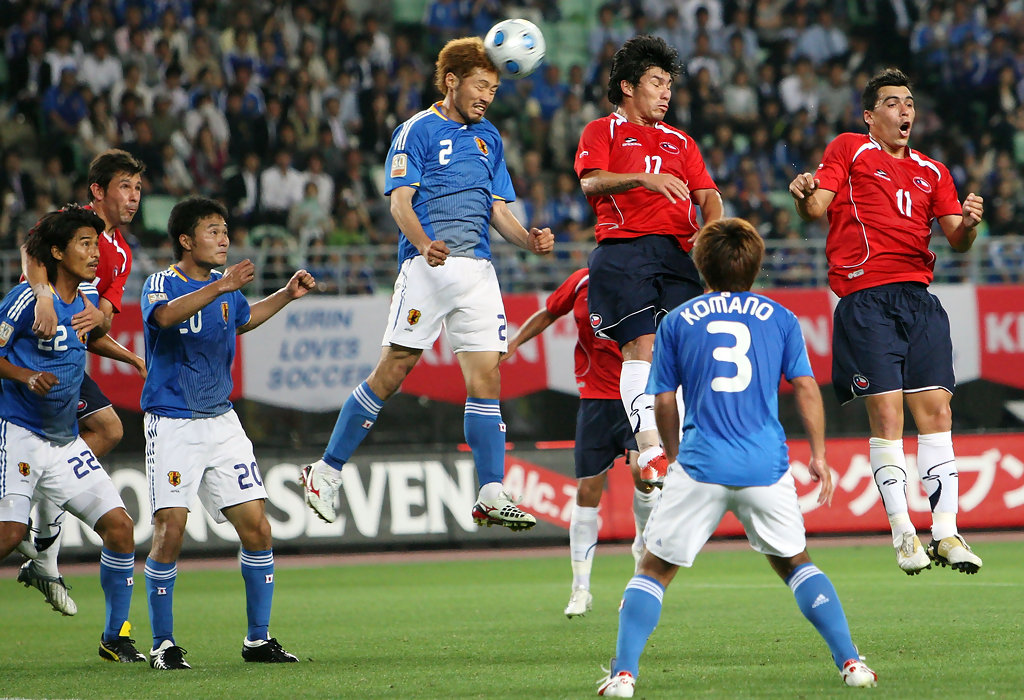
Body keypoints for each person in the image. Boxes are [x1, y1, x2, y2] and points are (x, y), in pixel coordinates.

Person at [596, 218, 878, 697]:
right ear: (755, 267)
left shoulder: (680, 320)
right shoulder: (781, 317)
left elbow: (662, 400)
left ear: (700, 264)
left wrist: (675, 455)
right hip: (765, 466)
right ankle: (852, 663)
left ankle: (623, 675)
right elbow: (806, 387)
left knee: (654, 570)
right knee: (796, 564)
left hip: (702, 463)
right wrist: (820, 456)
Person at [300, 37, 554, 530]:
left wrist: (529, 241)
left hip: (479, 271)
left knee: (487, 378)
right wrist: (423, 244)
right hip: (428, 268)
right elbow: (399, 202)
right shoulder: (415, 131)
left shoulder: (490, 139)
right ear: (452, 81)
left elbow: (498, 208)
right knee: (394, 371)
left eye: (495, 88)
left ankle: (489, 491)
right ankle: (325, 471)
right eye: (481, 85)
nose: (487, 96)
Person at [788, 68, 984, 576]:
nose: (905, 111)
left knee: (937, 414)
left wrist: (969, 223)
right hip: (866, 299)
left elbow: (957, 240)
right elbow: (817, 209)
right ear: (869, 115)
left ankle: (946, 532)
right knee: (888, 419)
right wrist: (804, 193)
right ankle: (903, 535)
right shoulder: (850, 149)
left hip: (919, 300)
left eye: (910, 103)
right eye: (893, 103)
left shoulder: (934, 171)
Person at [140, 196, 314, 669]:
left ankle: (258, 640)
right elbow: (164, 318)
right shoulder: (162, 282)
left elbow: (243, 318)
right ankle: (162, 644)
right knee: (169, 530)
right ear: (185, 240)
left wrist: (285, 295)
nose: (223, 238)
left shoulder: (225, 289)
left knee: (258, 527)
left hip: (221, 420)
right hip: (173, 420)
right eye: (213, 230)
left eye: (225, 229)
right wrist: (223, 288)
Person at [575, 35, 723, 489]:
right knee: (640, 348)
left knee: (677, 356)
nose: (666, 93)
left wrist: (710, 226)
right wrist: (643, 177)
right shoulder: (601, 131)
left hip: (679, 256)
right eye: (656, 83)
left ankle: (673, 454)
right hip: (626, 250)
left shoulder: (682, 141)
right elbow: (591, 183)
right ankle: (650, 445)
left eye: (669, 85)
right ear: (627, 86)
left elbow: (709, 196)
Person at [0, 206, 144, 663]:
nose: (95, 252)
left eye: (95, 243)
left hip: (63, 442)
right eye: (84, 243)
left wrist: (131, 358)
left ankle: (115, 638)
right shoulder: (25, 300)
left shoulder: (83, 302)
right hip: (20, 431)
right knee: (7, 535)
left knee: (121, 529)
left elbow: (86, 336)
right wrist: (23, 376)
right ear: (57, 252)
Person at [504, 268, 658, 618]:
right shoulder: (581, 281)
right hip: (595, 400)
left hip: (636, 394)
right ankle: (580, 589)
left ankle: (641, 561)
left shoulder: (647, 280)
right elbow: (548, 312)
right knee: (588, 491)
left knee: (644, 474)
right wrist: (514, 343)